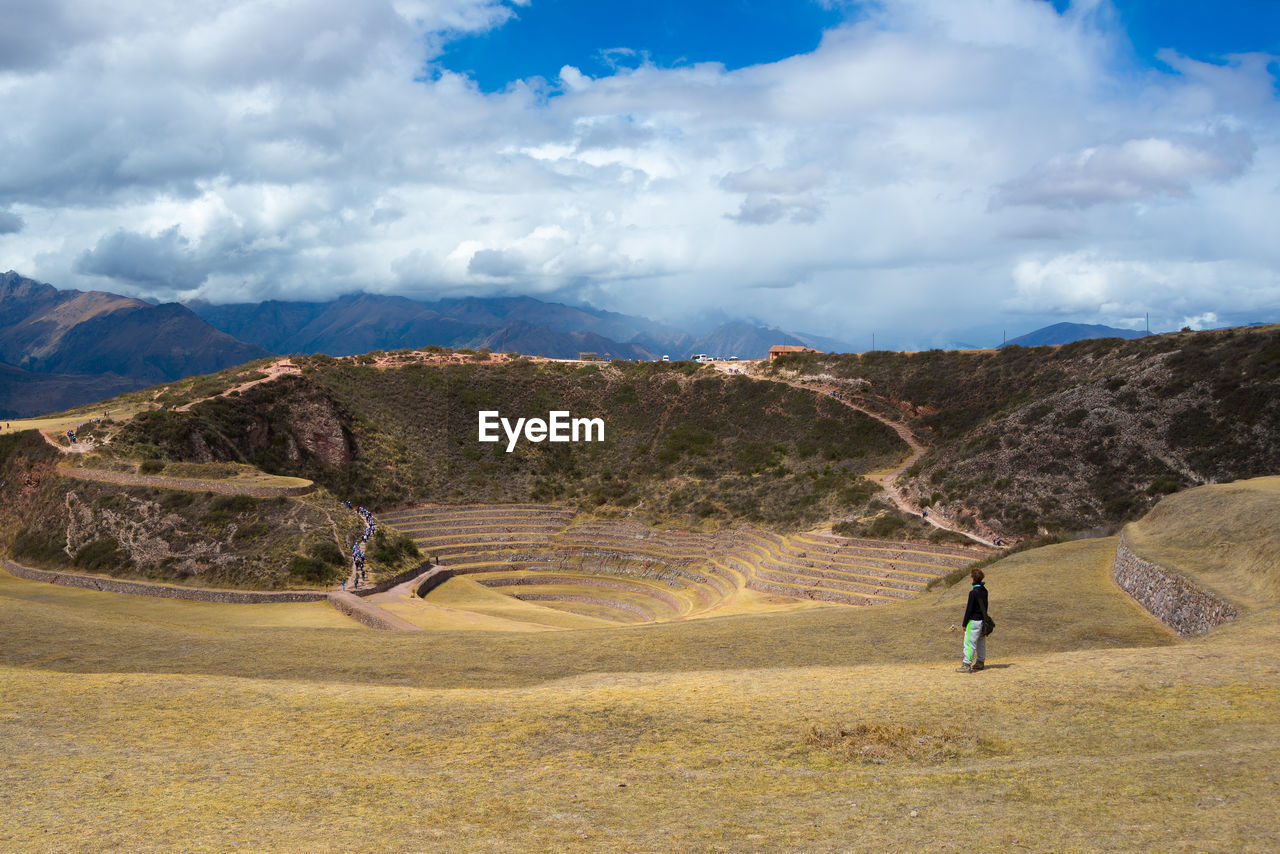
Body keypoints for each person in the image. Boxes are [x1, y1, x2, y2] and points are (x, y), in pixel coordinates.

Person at [957, 567, 990, 673]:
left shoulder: (973, 593)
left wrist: (964, 623)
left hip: (974, 621)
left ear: (973, 579)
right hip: (982, 621)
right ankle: (980, 662)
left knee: (969, 643)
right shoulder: (985, 591)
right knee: (981, 642)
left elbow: (969, 609)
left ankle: (966, 664)